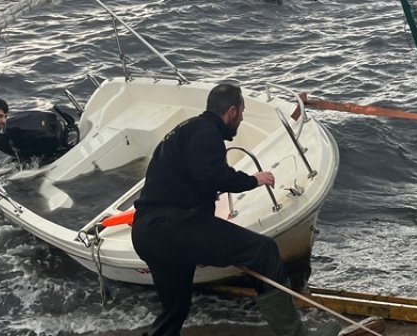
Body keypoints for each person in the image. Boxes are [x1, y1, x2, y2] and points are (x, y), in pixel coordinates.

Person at [131, 84, 335, 336]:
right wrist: (253, 180)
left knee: (176, 307)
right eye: (241, 113)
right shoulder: (207, 132)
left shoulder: (185, 131)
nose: (241, 119)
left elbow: (187, 178)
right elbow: (212, 175)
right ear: (230, 111)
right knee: (262, 251)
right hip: (174, 227)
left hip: (147, 232)